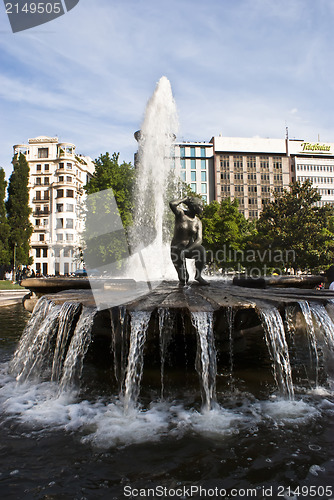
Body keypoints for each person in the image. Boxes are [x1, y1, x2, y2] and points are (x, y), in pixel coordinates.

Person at [169, 196, 209, 286]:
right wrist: (184, 199)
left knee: (201, 250)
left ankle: (198, 276)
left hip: (188, 249)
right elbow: (172, 204)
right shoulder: (181, 214)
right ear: (194, 207)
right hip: (177, 249)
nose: (202, 208)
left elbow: (199, 239)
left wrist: (187, 250)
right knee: (184, 279)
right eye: (200, 206)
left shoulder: (198, 222)